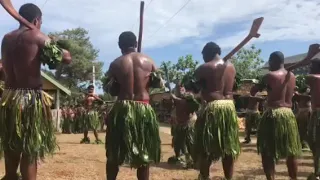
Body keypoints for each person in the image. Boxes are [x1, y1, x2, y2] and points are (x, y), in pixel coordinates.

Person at [0, 3, 71, 180]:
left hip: (9, 98)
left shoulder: (6, 38)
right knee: (30, 149)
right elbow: (67, 58)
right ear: (36, 20)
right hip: (30, 99)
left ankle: (9, 176)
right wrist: (51, 42)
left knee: (12, 145)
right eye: (41, 21)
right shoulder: (38, 36)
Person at [105, 31, 162, 180]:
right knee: (143, 153)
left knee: (114, 151)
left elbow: (111, 90)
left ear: (119, 46)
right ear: (136, 44)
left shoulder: (115, 63)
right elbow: (159, 84)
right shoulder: (149, 61)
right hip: (143, 108)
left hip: (123, 108)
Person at [191, 42, 240, 180]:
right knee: (228, 146)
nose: (203, 58)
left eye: (203, 55)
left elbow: (195, 89)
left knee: (205, 144)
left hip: (213, 108)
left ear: (207, 53)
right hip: (229, 107)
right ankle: (228, 177)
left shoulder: (204, 68)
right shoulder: (231, 67)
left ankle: (204, 176)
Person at [250, 51, 301, 180]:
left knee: (267, 151)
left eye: (270, 62)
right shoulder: (292, 76)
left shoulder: (269, 76)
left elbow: (253, 91)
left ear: (273, 61)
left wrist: (258, 86)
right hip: (288, 115)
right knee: (291, 151)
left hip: (273, 114)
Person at [167, 92, 199, 168]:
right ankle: (190, 160)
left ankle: (189, 160)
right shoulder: (191, 105)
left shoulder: (181, 102)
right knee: (185, 143)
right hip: (187, 125)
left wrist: (172, 95)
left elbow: (174, 97)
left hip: (186, 126)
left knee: (183, 143)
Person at [305, 58, 320, 179]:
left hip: (318, 114)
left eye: (311, 66)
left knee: (316, 142)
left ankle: (318, 172)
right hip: (316, 113)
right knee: (312, 140)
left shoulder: (314, 78)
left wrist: (308, 57)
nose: (309, 68)